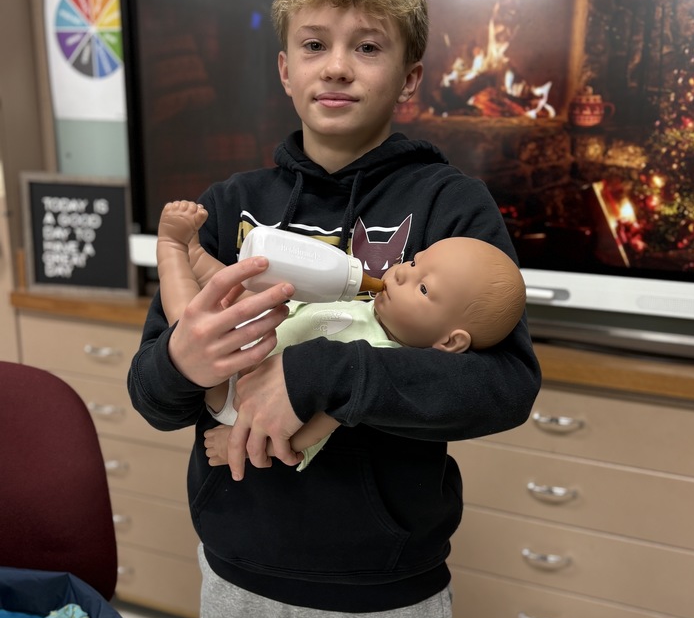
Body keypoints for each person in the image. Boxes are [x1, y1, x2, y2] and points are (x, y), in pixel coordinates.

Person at [128, 0, 541, 618]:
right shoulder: (231, 204)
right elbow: (153, 392)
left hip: (382, 584)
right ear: (285, 68)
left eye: (368, 46)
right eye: (314, 44)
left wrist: (319, 372)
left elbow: (506, 385)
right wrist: (185, 366)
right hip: (239, 566)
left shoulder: (452, 208)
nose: (338, 67)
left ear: (412, 73)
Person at [156, 199, 527, 470]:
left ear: (449, 341)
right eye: (414, 262)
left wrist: (239, 447)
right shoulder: (368, 306)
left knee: (190, 321)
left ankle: (172, 249)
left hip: (239, 397)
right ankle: (197, 254)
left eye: (424, 289)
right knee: (235, 293)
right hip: (255, 342)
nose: (399, 273)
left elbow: (306, 436)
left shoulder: (383, 366)